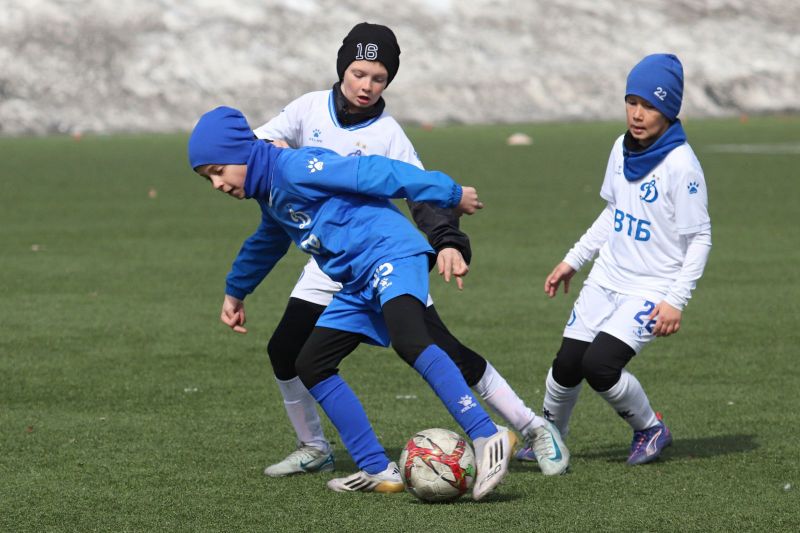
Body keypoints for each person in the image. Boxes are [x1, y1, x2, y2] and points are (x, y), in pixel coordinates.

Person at [225, 22, 568, 477]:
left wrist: (448, 242)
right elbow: (250, 148)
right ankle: (314, 446)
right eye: (358, 74)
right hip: (329, 264)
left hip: (381, 255)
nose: (366, 86)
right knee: (287, 351)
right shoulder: (308, 108)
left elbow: (418, 193)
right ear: (342, 69)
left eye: (378, 78)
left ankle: (532, 427)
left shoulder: (388, 134)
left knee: (443, 351)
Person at [187, 105, 515, 500]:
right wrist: (236, 290)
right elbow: (266, 243)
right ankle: (377, 467)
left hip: (391, 253)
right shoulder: (270, 194)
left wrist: (449, 192)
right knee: (311, 363)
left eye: (218, 171)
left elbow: (373, 172)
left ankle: (486, 433)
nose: (217, 184)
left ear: (242, 151)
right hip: (357, 281)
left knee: (411, 341)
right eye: (208, 178)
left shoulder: (295, 167)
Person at [534, 54, 712, 465]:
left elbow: (700, 237)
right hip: (606, 277)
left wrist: (675, 301)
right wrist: (573, 259)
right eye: (632, 102)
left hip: (652, 287)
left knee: (600, 366)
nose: (637, 114)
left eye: (649, 105)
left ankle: (650, 429)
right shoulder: (621, 147)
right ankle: (550, 437)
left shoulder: (681, 165)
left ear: (669, 110)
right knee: (567, 364)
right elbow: (615, 212)